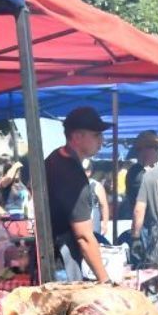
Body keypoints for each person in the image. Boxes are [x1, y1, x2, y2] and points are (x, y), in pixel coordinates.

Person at [45, 106, 111, 282]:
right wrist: (105, 281)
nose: (101, 141)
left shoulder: (53, 158)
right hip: (62, 263)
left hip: (51, 256)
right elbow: (84, 237)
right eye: (96, 135)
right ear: (77, 137)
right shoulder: (71, 175)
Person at [119, 130, 158, 228]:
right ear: (145, 150)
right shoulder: (136, 174)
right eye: (156, 147)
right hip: (147, 226)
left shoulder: (152, 170)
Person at [85, 159, 111, 235]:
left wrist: (105, 224)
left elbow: (104, 205)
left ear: (90, 171)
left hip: (94, 226)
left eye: (87, 170)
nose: (85, 172)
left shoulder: (96, 186)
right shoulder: (73, 185)